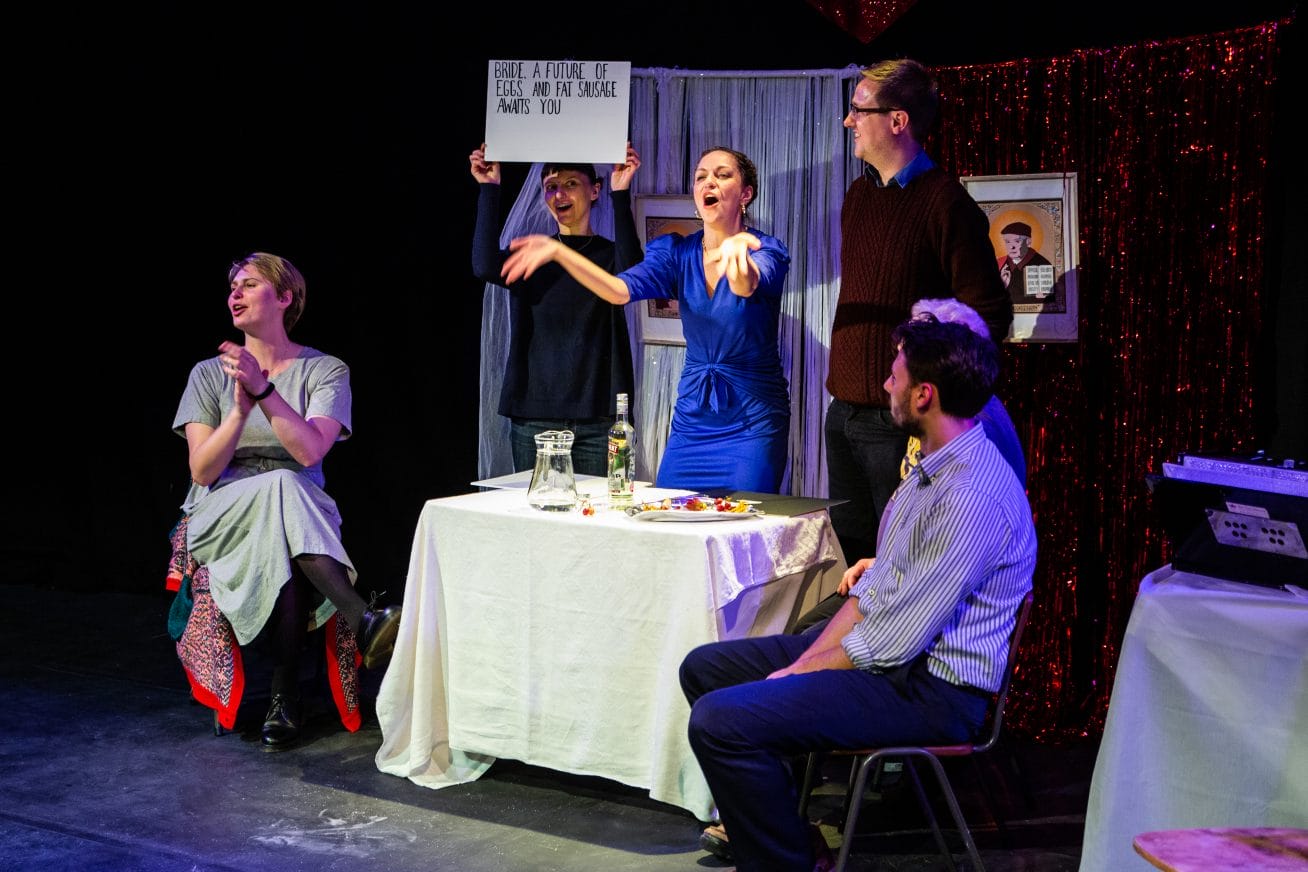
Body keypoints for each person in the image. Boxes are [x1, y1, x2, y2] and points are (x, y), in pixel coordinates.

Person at [681, 315, 1036, 871]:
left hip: (931, 689)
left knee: (719, 721)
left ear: (925, 394)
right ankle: (791, 839)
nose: (886, 387)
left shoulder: (970, 495)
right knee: (705, 670)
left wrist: (802, 672)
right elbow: (872, 595)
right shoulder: (932, 470)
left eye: (895, 376)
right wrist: (807, 661)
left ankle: (785, 863)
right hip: (896, 662)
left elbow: (892, 640)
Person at [172, 251, 401, 751]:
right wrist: (239, 408)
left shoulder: (325, 370)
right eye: (232, 285)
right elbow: (201, 470)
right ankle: (360, 614)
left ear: (285, 297)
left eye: (249, 284)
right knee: (282, 486)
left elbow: (309, 450)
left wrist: (265, 390)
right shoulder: (208, 374)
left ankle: (285, 697)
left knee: (286, 503)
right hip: (221, 512)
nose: (234, 292)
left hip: (301, 514)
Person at [501, 146, 791, 493]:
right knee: (672, 514)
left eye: (721, 175)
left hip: (753, 421)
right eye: (701, 177)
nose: (708, 183)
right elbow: (618, 291)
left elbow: (746, 286)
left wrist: (737, 256)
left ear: (745, 194)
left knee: (745, 520)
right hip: (693, 421)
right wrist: (559, 252)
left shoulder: (765, 249)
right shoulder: (675, 252)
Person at [826, 58, 1013, 565]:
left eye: (857, 110)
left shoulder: (945, 202)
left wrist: (932, 393)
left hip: (900, 423)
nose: (849, 121)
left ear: (898, 121)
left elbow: (989, 317)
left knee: (903, 563)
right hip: (842, 412)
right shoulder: (859, 195)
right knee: (853, 563)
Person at [790, 295, 1026, 634]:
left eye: (908, 358)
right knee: (803, 630)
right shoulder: (939, 424)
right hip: (903, 580)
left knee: (801, 648)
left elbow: (956, 571)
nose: (892, 380)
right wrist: (884, 565)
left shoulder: (973, 433)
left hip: (937, 623)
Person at [471, 143, 643, 477]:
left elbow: (633, 273)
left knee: (600, 520)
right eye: (551, 187)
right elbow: (484, 265)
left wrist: (621, 192)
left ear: (594, 191)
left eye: (570, 184)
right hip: (536, 416)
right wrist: (489, 187)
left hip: (600, 418)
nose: (559, 194)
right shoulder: (533, 256)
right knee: (542, 520)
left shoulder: (608, 256)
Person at [997, 220, 1052, 301]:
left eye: (1017, 241)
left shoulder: (1043, 265)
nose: (1011, 247)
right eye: (1007, 242)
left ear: (1028, 242)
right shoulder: (1000, 264)